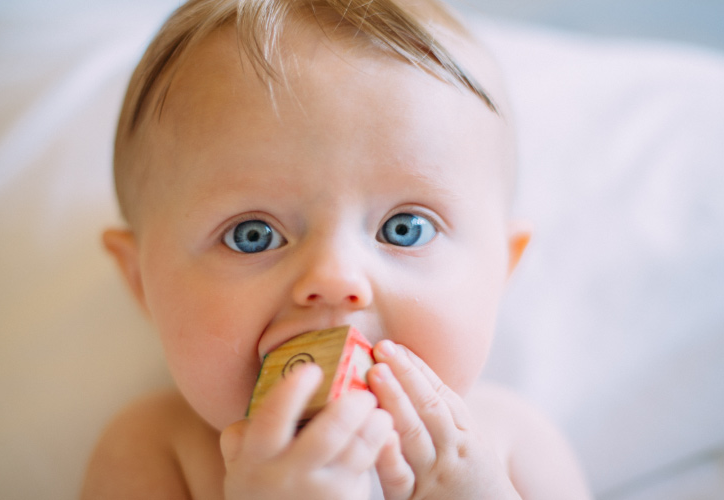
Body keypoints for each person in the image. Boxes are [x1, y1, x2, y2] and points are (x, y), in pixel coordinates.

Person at [82, 0, 591, 497]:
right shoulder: (153, 449)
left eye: (405, 228)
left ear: (500, 270)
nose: (335, 277)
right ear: (142, 282)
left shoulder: (513, 444)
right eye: (252, 234)